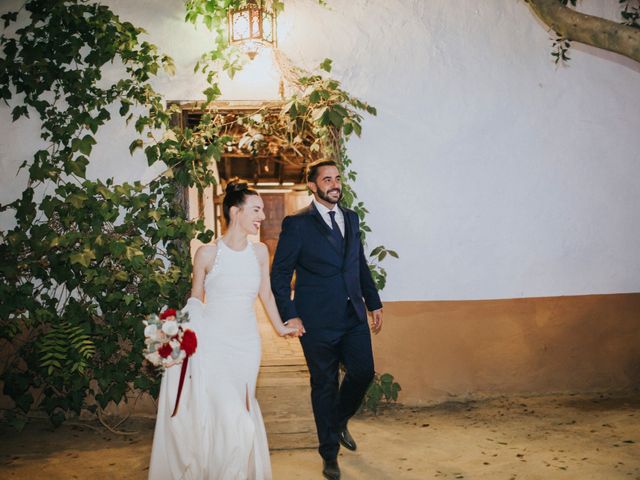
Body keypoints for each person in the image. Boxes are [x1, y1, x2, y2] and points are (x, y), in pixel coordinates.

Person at [148, 180, 300, 480]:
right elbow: (194, 299)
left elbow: (266, 295)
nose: (262, 216)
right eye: (256, 210)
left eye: (263, 211)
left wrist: (281, 328)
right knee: (228, 416)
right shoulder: (206, 253)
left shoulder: (259, 252)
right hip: (212, 344)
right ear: (235, 211)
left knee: (241, 411)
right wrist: (174, 333)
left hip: (246, 346)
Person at [271, 159, 383, 480]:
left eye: (337, 179)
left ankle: (337, 421)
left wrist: (373, 302)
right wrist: (290, 315)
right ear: (312, 185)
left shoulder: (351, 218)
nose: (334, 184)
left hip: (353, 315)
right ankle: (329, 454)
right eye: (327, 180)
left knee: (363, 372)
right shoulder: (298, 224)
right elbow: (280, 275)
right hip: (316, 321)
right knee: (324, 385)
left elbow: (357, 263)